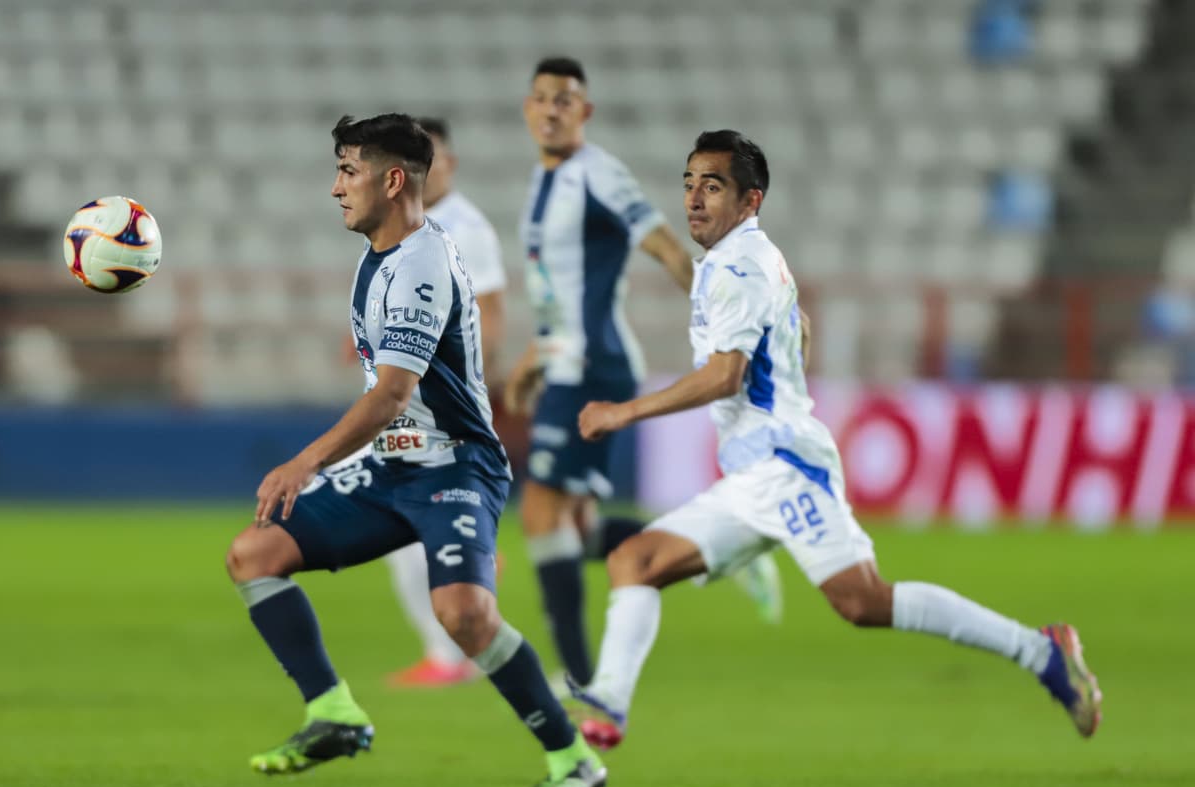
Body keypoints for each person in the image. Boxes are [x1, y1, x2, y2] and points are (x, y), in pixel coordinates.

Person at [567, 129, 1103, 750]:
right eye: (689, 184)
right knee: (634, 561)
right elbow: (791, 323)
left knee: (863, 601)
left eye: (712, 186)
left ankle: (1041, 652)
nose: (693, 198)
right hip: (753, 473)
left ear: (750, 200)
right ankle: (609, 702)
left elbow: (724, 376)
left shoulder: (739, 266)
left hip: (784, 467)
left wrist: (624, 413)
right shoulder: (741, 260)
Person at [224, 113, 605, 787]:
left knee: (464, 615)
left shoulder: (422, 264)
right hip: (391, 465)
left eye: (349, 171)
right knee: (254, 554)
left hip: (454, 463)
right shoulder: (380, 254)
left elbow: (394, 394)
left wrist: (307, 460)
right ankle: (333, 712)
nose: (336, 188)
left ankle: (571, 755)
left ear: (392, 180)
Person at [506, 57, 783, 690]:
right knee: (574, 529)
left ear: (584, 112)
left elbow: (663, 245)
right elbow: (556, 292)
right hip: (563, 360)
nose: (551, 110)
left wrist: (718, 314)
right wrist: (530, 360)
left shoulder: (597, 173)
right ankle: (725, 547)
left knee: (542, 516)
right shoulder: (544, 180)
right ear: (528, 109)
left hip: (592, 365)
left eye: (564, 100)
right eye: (541, 98)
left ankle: (580, 676)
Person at [383, 117, 507, 688]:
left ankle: (454, 652)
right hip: (409, 401)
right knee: (406, 526)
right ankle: (459, 644)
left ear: (449, 165)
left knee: (407, 523)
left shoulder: (465, 229)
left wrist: (472, 389)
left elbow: (492, 314)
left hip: (442, 404)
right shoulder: (407, 227)